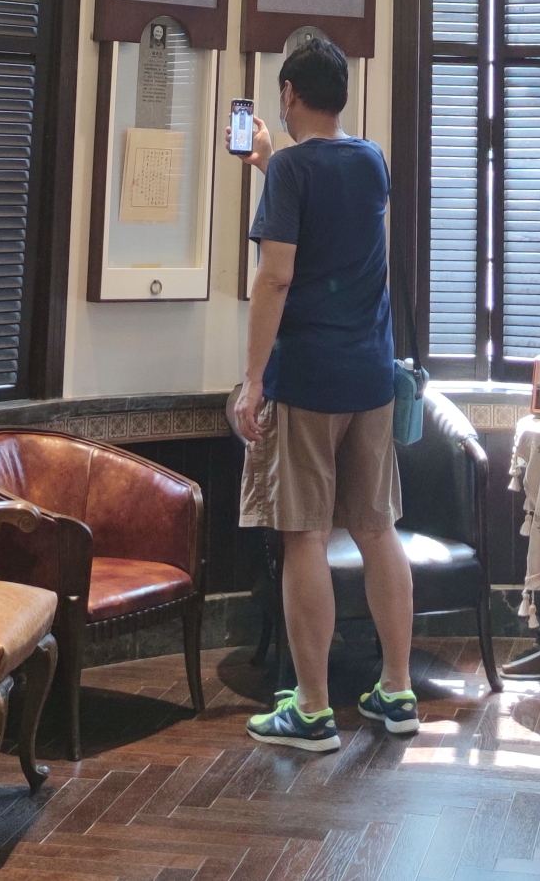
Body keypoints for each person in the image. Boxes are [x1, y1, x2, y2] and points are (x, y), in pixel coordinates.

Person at [226, 38, 417, 752]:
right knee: (376, 529)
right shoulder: (370, 160)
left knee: (303, 533)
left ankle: (311, 709)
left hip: (306, 377)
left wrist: (252, 380)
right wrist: (269, 162)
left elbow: (276, 277)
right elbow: (330, 207)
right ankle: (397, 691)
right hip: (371, 376)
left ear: (288, 94)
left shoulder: (293, 170)